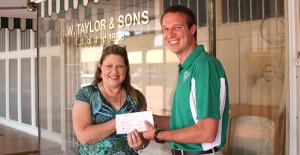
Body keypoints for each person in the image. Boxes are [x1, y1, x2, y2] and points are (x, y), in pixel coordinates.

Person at [142, 5, 230, 155]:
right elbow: (183, 122)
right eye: (165, 29)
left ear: (192, 29)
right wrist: (146, 119)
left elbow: (206, 132)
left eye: (177, 27)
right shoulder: (187, 68)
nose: (170, 34)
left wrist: (158, 135)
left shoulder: (204, 66)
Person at [72, 44, 149, 155]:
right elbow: (83, 136)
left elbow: (145, 138)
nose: (114, 71)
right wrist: (120, 122)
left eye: (120, 66)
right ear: (100, 66)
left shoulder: (137, 97)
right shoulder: (86, 95)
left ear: (126, 69)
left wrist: (139, 144)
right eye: (109, 66)